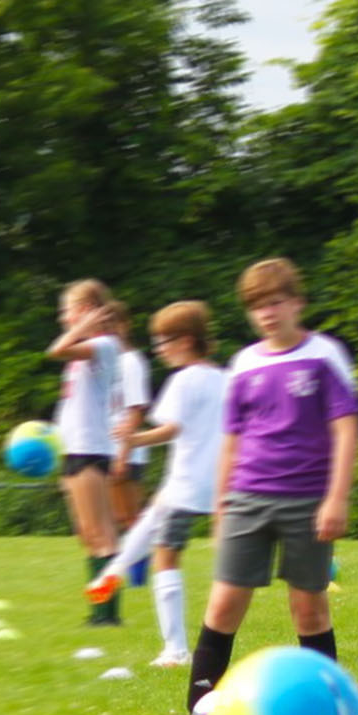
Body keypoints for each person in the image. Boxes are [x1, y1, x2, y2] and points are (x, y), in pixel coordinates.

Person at [175, 258, 358, 715]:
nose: (267, 313)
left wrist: (337, 498)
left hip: (306, 501)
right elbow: (231, 439)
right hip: (247, 498)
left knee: (309, 610)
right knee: (223, 605)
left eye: (276, 302)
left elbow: (345, 430)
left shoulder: (325, 356)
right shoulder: (244, 364)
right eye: (257, 306)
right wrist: (221, 505)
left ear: (297, 302)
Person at [85, 301, 228, 668]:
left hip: (187, 484)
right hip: (217, 483)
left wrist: (134, 440)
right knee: (151, 517)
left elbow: (172, 428)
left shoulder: (183, 380)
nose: (159, 348)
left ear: (185, 340)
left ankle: (175, 650)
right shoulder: (225, 377)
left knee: (165, 558)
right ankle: (112, 573)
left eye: (164, 340)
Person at [46, 280, 125, 625]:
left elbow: (56, 350)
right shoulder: (85, 352)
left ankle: (106, 614)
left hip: (91, 448)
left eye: (69, 309)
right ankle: (98, 608)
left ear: (89, 310)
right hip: (74, 448)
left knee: (102, 533)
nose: (63, 316)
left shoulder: (104, 345)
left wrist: (82, 327)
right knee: (87, 533)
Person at [106, 300, 154, 541]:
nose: (109, 331)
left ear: (125, 325)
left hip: (127, 453)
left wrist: (123, 455)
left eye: (113, 324)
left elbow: (136, 410)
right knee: (118, 517)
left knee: (131, 518)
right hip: (109, 449)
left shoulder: (131, 361)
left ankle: (143, 575)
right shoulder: (107, 361)